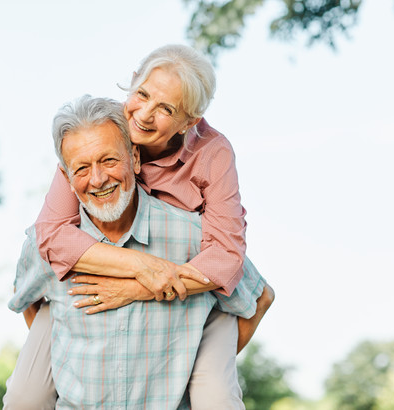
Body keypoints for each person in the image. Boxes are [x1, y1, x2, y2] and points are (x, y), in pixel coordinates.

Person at [4, 95, 243, 408]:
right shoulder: (44, 247)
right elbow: (27, 300)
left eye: (108, 160)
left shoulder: (193, 237)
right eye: (82, 168)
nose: (99, 179)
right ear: (67, 178)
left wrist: (198, 377)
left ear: (135, 157)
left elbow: (255, 299)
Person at [35, 44, 274, 352]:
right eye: (143, 95)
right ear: (133, 82)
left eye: (167, 109)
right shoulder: (99, 131)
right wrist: (143, 265)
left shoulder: (213, 153)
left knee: (213, 384)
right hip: (145, 259)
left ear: (189, 122)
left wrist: (136, 288)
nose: (144, 116)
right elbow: (52, 233)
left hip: (192, 268)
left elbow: (226, 256)